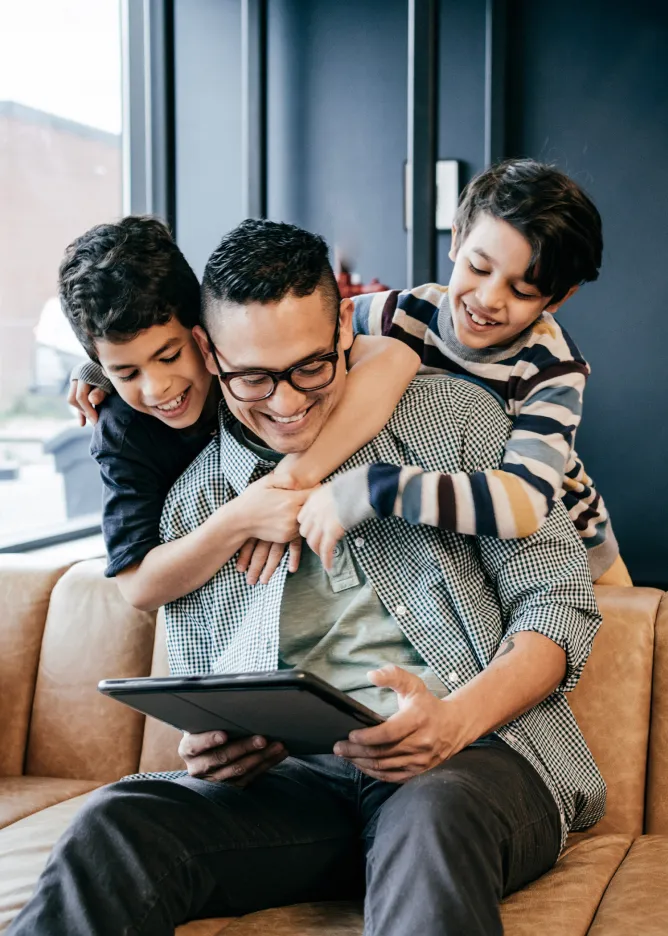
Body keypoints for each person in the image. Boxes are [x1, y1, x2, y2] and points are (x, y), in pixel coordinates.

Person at [10, 220, 604, 936]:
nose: (286, 403)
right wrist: (223, 745)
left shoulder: (458, 419)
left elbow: (559, 601)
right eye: (253, 377)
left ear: (346, 338)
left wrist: (453, 723)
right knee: (119, 821)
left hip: (476, 760)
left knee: (432, 812)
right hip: (303, 790)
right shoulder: (198, 506)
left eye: (310, 369)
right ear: (209, 352)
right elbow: (207, 682)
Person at [58, 216, 419, 610]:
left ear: (203, 332)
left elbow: (394, 355)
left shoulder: (257, 338)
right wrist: (241, 519)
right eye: (127, 373)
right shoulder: (122, 430)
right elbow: (137, 585)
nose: (156, 387)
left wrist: (291, 478)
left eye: (170, 356)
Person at [299, 159, 632, 585]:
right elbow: (306, 342)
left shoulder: (552, 366)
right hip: (453, 547)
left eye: (522, 290)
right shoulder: (396, 316)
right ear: (456, 240)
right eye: (478, 267)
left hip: (570, 547)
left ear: (558, 297)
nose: (489, 299)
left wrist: (376, 487)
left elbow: (526, 504)